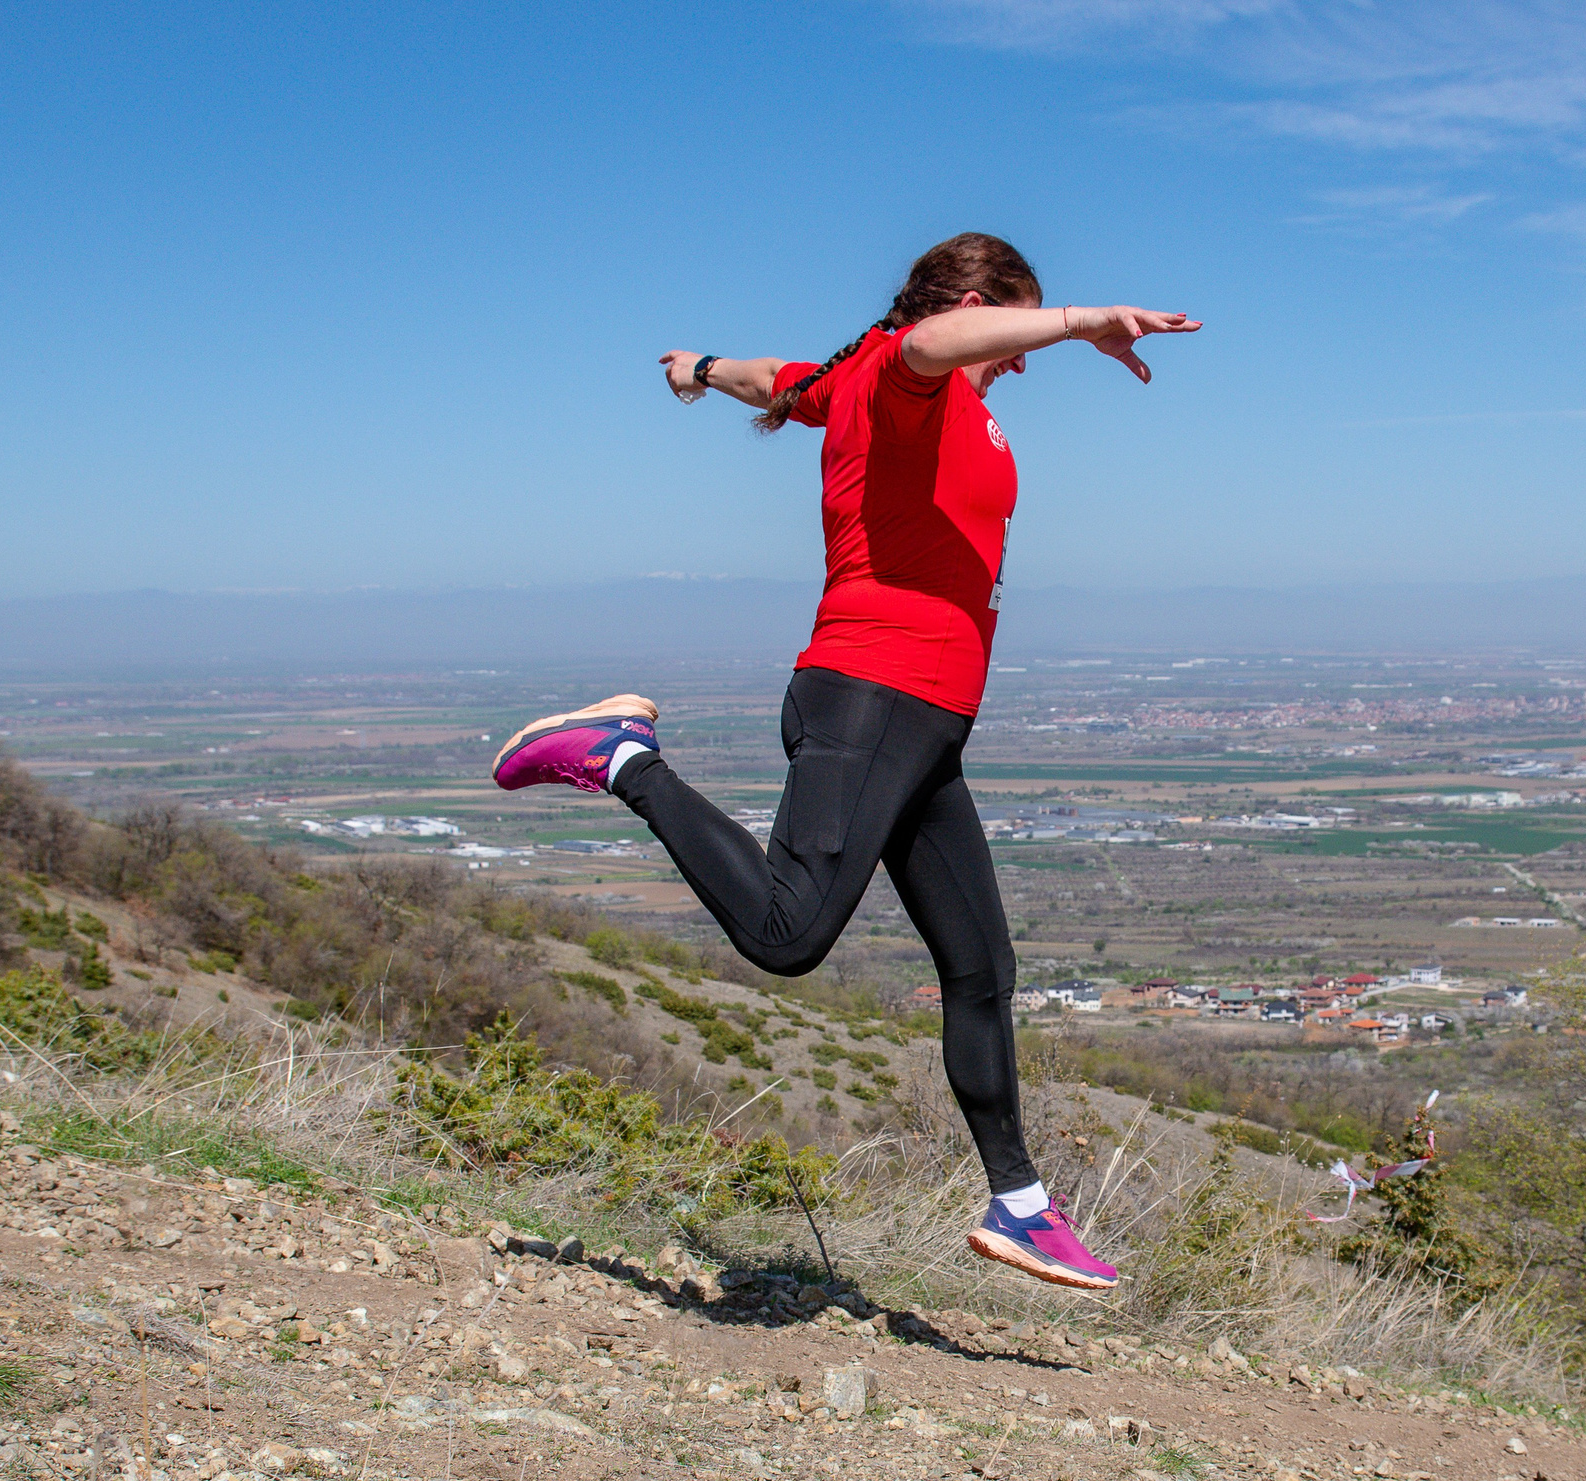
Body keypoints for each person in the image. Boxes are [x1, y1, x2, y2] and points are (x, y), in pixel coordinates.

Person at [491, 233, 1199, 1290]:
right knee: (786, 934)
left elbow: (780, 380)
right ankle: (623, 759)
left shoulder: (855, 378)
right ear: (973, 305)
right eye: (1014, 335)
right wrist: (1083, 320)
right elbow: (937, 342)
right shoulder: (917, 372)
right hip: (873, 695)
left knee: (979, 968)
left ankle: (1021, 1207)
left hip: (926, 723)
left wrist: (697, 372)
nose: (1017, 361)